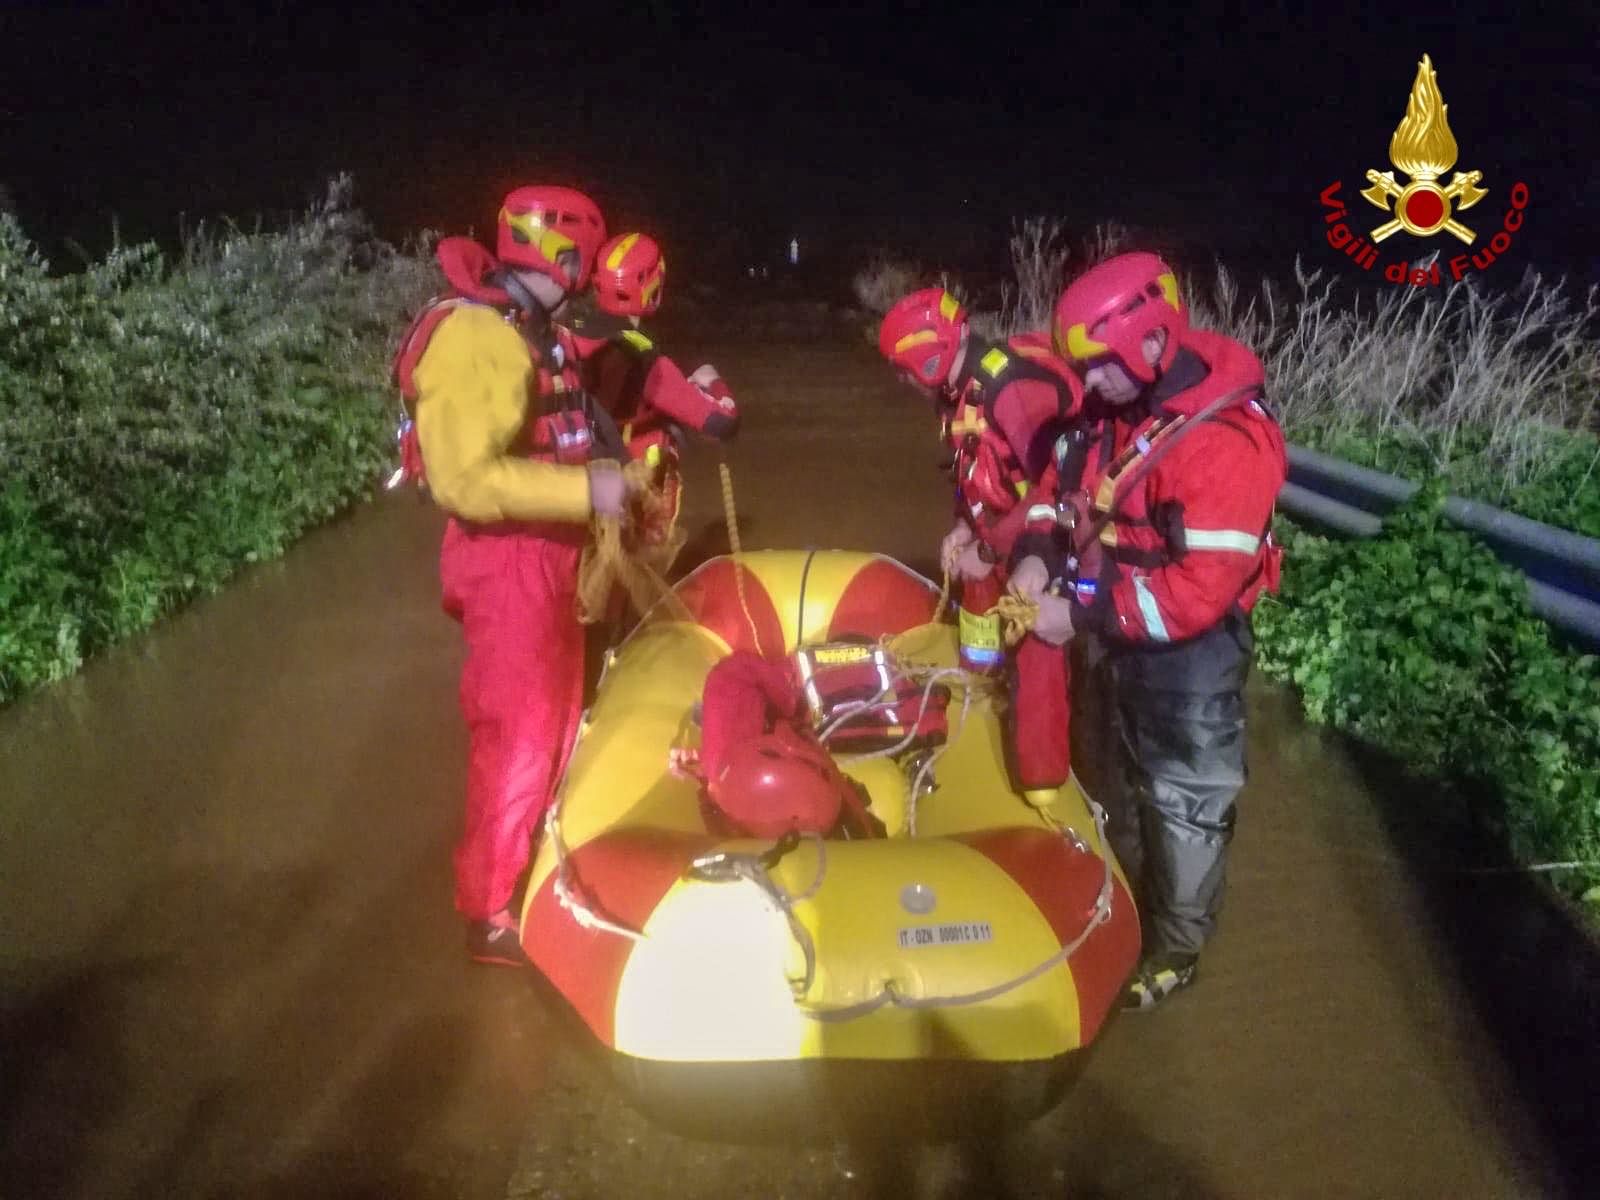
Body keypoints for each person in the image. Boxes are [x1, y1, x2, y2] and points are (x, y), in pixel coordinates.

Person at [1008, 251, 1286, 1010]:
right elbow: (1053, 493)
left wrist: (1081, 612)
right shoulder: (1110, 413)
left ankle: (1175, 950)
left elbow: (1197, 595)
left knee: (1185, 801)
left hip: (1189, 654)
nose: (1087, 383)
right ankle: (1117, 907)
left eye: (1098, 366)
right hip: (1111, 633)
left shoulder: (1222, 443)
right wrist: (1035, 557)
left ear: (1152, 342)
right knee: (1106, 776)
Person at [392, 184, 639, 967]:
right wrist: (590, 490)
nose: (587, 274)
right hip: (508, 560)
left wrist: (612, 488)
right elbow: (465, 479)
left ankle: (532, 863)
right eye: (584, 260)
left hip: (548, 551)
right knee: (522, 734)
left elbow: (562, 432)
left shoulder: (531, 330)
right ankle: (491, 912)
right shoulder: (478, 336)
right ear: (561, 254)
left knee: (561, 721)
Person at [877, 288, 1084, 794]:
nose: (903, 382)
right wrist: (964, 528)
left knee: (1035, 641)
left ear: (926, 360)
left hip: (1045, 536)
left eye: (904, 371)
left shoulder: (1007, 388)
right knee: (976, 614)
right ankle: (982, 695)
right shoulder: (956, 393)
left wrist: (989, 550)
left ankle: (1043, 784)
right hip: (999, 525)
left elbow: (1052, 488)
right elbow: (975, 468)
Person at [566, 231, 739, 579]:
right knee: (630, 569)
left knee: (587, 565)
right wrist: (711, 381)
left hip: (574, 478)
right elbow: (722, 421)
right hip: (628, 480)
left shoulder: (568, 331)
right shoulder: (646, 360)